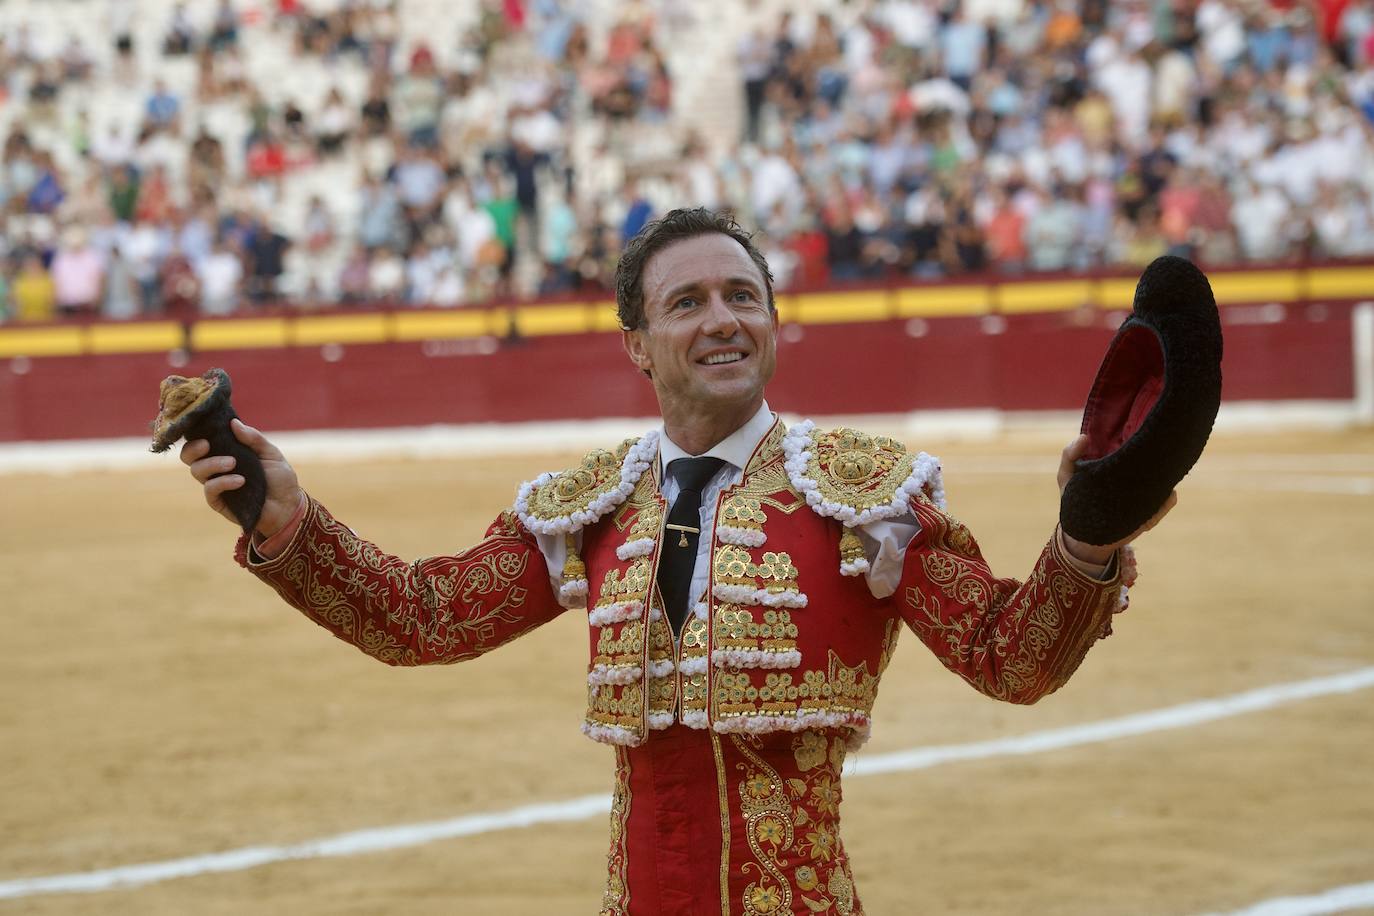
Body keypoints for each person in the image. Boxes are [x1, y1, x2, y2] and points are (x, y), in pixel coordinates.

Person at [179, 208, 1171, 914]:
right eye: (687, 302)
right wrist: (286, 523)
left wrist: (1090, 533)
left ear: (774, 324)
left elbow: (1012, 656)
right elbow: (423, 617)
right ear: (639, 347)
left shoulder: (863, 491)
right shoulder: (594, 502)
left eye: (743, 295)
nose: (723, 318)